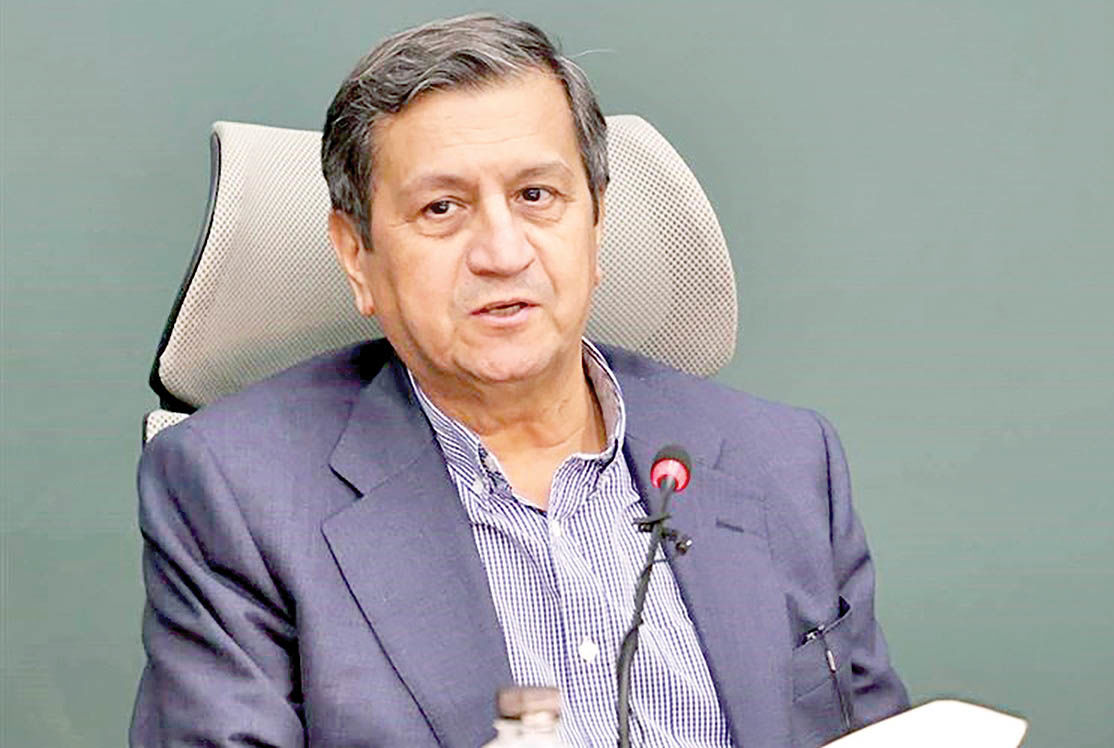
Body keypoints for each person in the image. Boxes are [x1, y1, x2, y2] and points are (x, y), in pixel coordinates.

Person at [131, 13, 908, 747]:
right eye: (442, 208)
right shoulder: (238, 497)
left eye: (537, 196)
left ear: (595, 222)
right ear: (356, 256)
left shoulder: (786, 462)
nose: (502, 253)